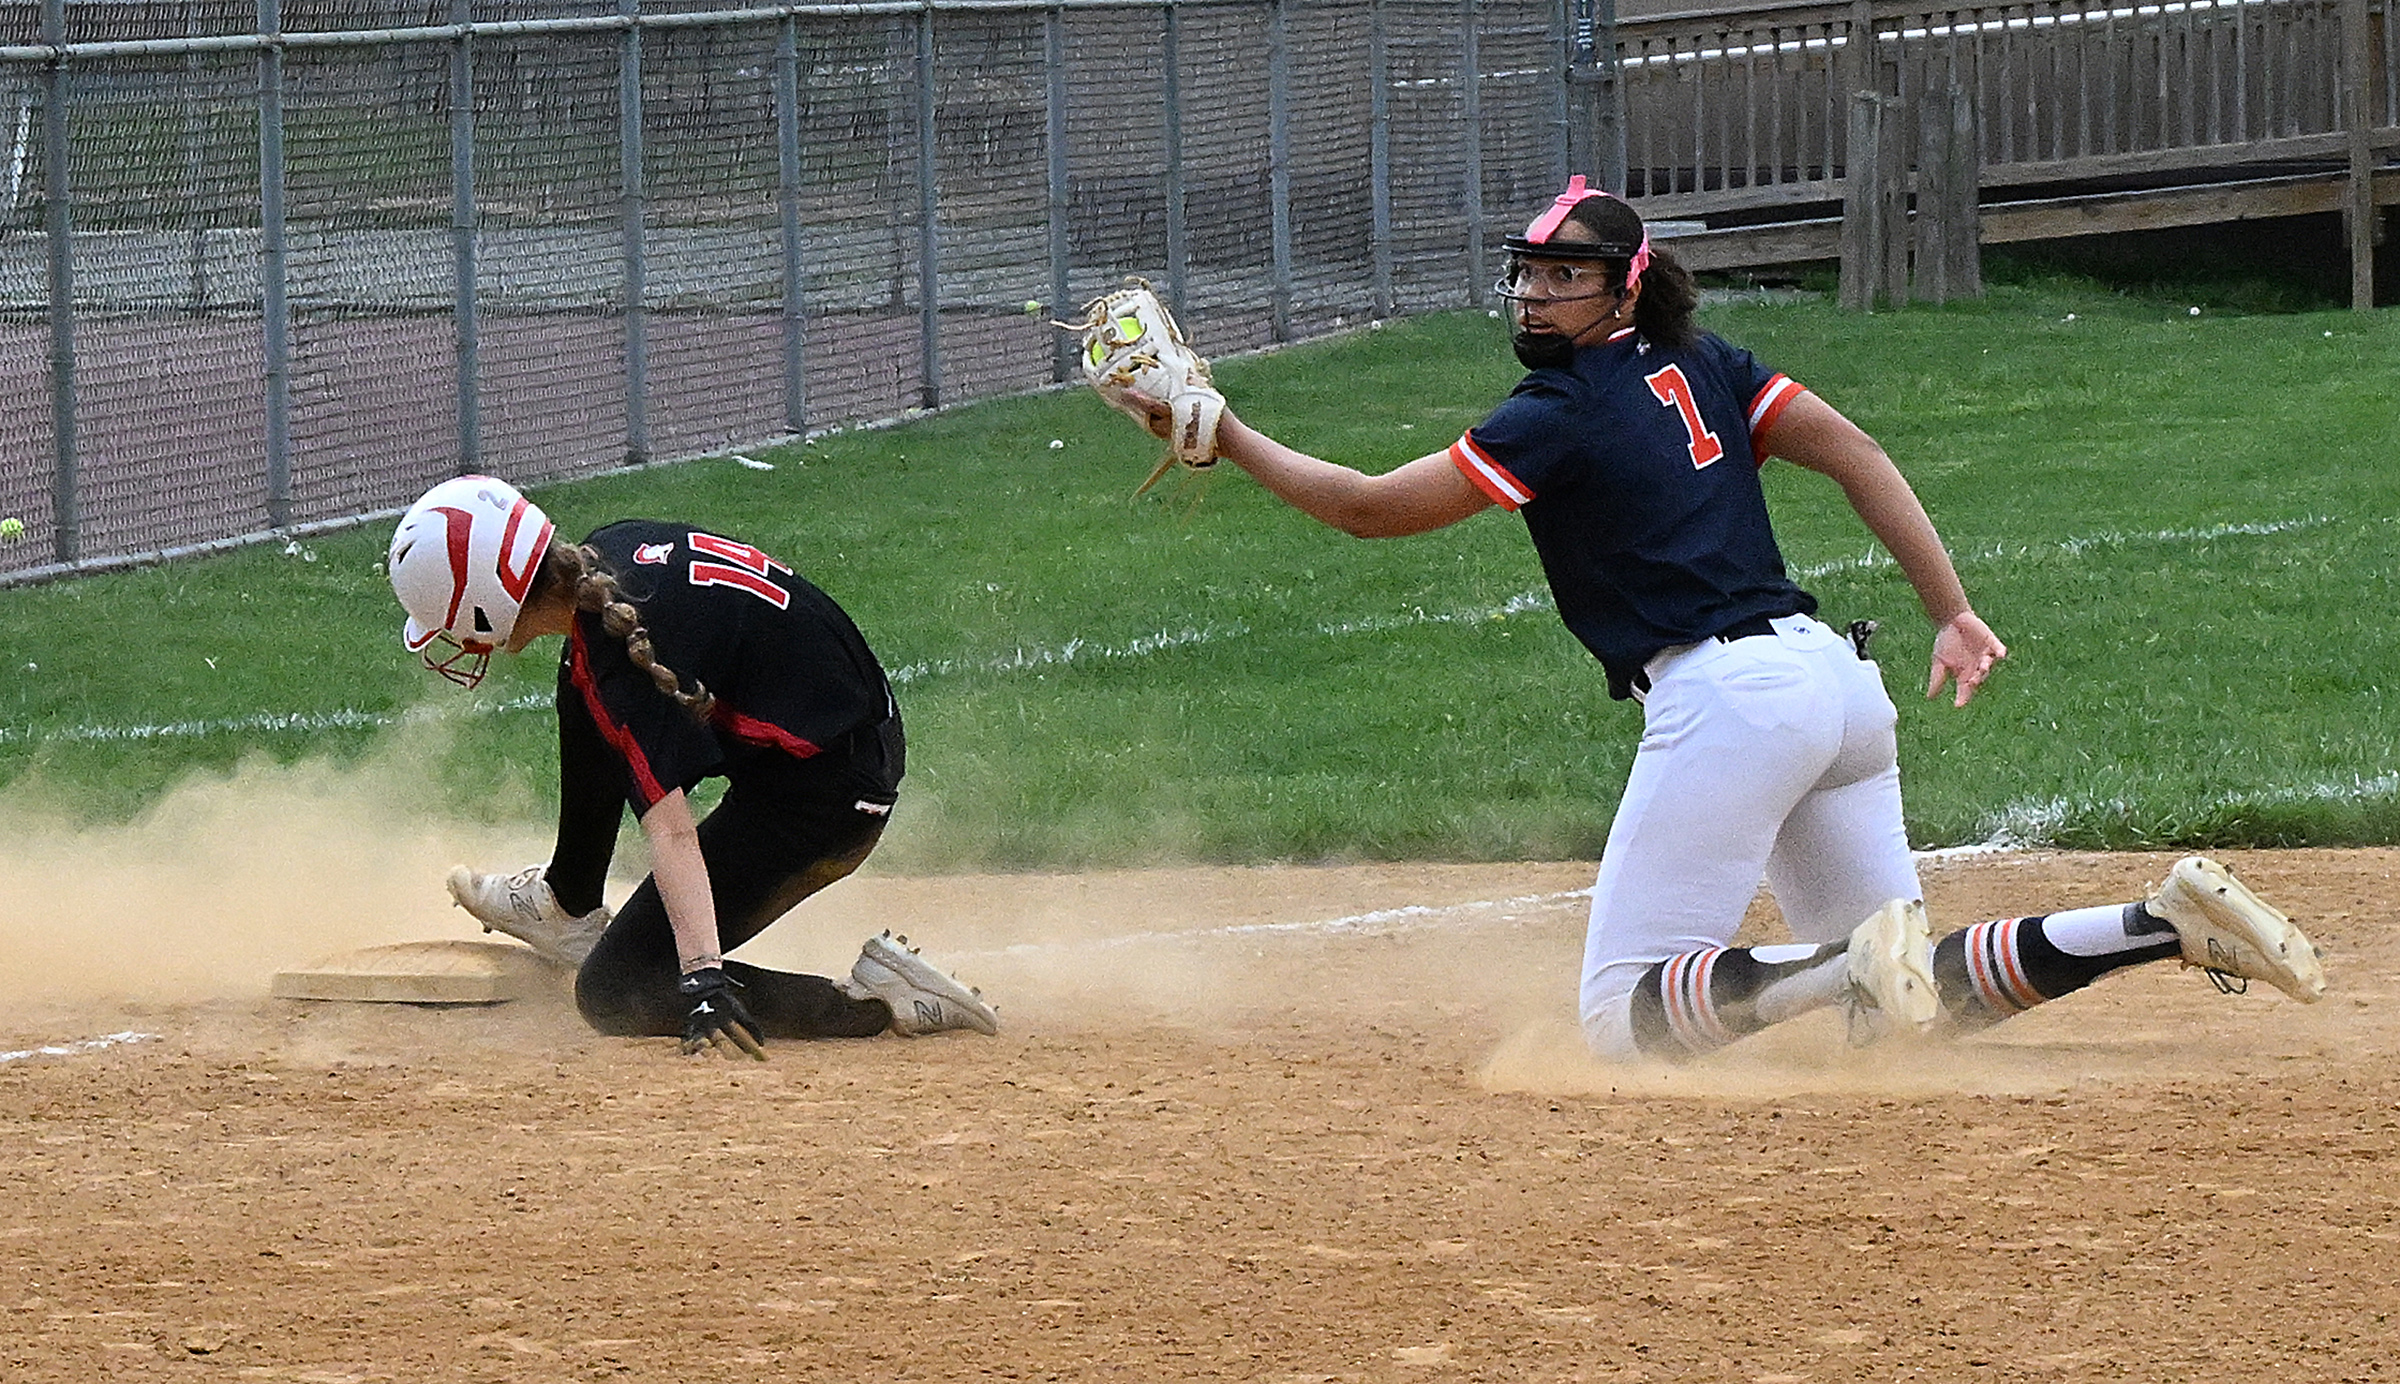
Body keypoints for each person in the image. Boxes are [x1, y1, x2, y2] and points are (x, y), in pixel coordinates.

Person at [1163, 176, 2324, 1061]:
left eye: (1562, 275)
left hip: (1732, 705)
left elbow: (1374, 511)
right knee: (1901, 1008)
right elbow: (1857, 451)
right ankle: (2158, 922)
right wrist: (1952, 613)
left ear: (1624, 284)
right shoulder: (1709, 362)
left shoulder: (1555, 409)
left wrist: (1221, 430)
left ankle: (1832, 966)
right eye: (1526, 271)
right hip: (1835, 690)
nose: (1533, 291)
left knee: (1622, 1020)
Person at [385, 474, 999, 1059]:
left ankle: (876, 999)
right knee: (583, 671)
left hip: (831, 799)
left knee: (616, 990)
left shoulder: (622, 658)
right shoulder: (606, 560)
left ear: (485, 607)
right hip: (835, 736)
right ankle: (566, 903)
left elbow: (672, 830)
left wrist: (701, 975)